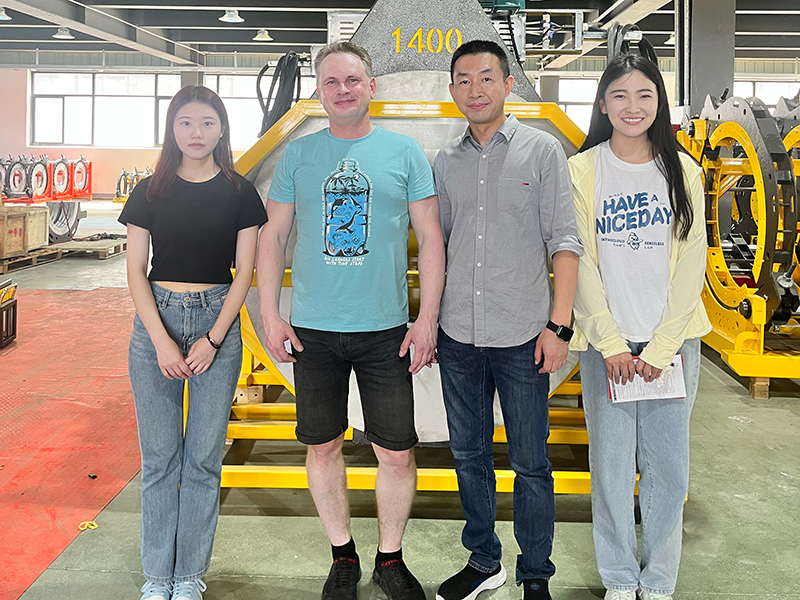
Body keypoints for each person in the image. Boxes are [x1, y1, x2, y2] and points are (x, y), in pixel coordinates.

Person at [256, 41, 445, 600]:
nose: (343, 90)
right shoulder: (298, 156)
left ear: (372, 87)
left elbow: (431, 237)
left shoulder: (404, 152)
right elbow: (273, 236)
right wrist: (270, 315)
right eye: (332, 82)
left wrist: (426, 319)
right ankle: (343, 555)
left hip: (385, 329)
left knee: (396, 452)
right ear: (319, 91)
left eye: (353, 80)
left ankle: (390, 559)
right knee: (323, 446)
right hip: (313, 330)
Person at [433, 40, 583, 600]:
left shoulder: (542, 152)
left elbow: (564, 241)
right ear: (453, 90)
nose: (475, 90)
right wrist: (429, 322)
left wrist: (559, 326)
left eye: (486, 78)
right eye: (464, 80)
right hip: (458, 334)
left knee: (530, 462)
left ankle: (535, 572)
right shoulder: (445, 161)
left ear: (508, 84)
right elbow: (438, 245)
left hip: (525, 335)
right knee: (468, 455)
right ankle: (483, 561)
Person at [568, 53, 710, 600]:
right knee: (609, 468)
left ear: (659, 103)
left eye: (645, 95)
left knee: (668, 471)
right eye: (620, 95)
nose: (633, 106)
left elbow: (693, 261)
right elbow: (579, 260)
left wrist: (663, 346)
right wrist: (610, 342)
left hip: (672, 346)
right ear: (603, 105)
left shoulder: (684, 171)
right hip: (607, 347)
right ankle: (620, 578)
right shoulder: (583, 170)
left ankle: (658, 581)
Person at [119, 85, 267, 600]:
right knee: (160, 460)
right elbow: (135, 270)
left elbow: (244, 272)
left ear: (222, 129)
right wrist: (161, 341)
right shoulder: (149, 190)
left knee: (203, 460)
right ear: (172, 129)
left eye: (207, 123)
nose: (196, 133)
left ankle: (188, 577)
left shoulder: (240, 192)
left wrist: (213, 339)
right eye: (185, 123)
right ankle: (157, 577)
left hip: (216, 322)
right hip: (155, 322)